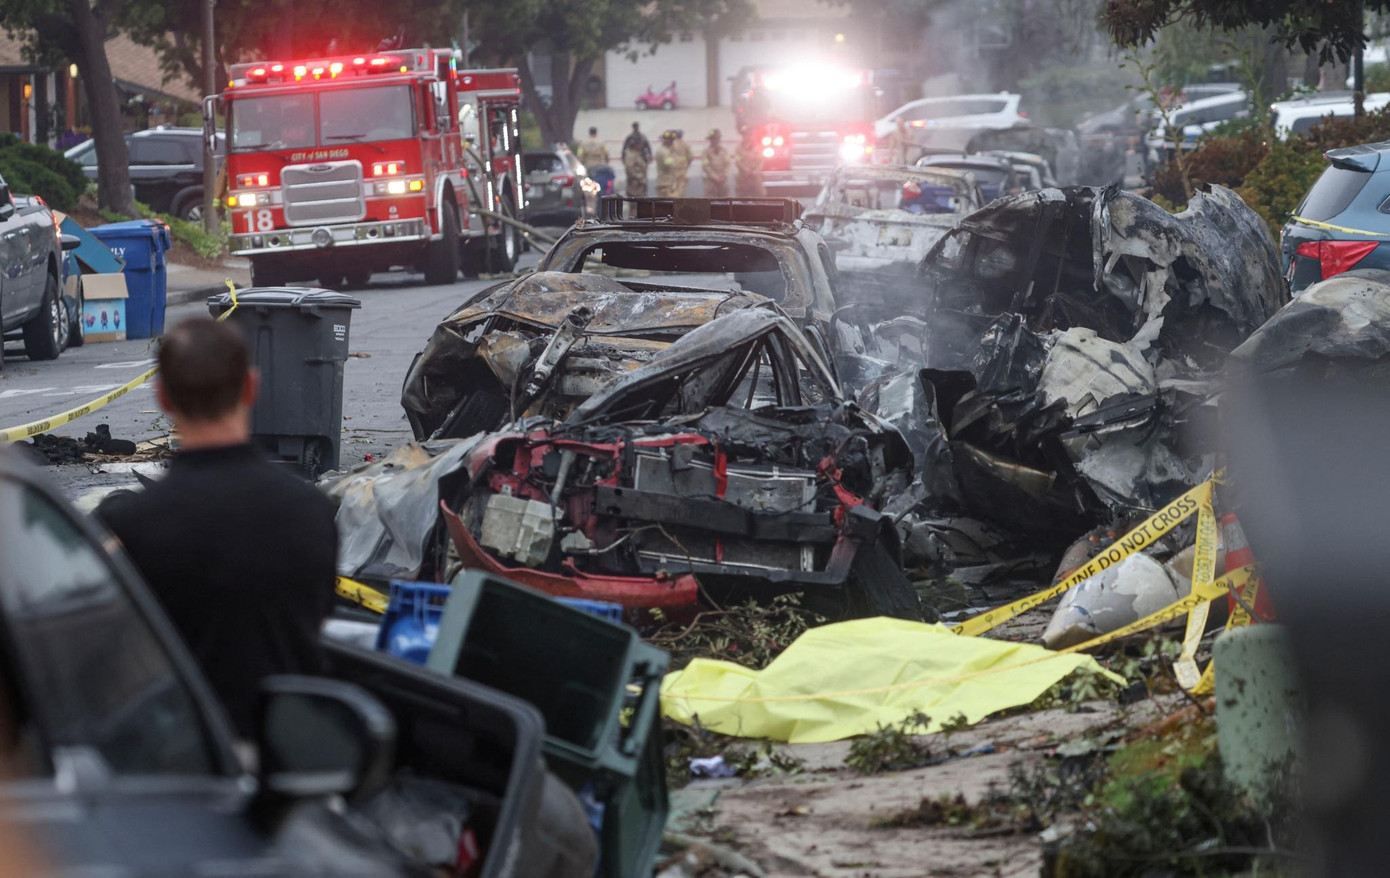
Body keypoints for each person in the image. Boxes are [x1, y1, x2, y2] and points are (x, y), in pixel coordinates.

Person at [97, 319, 338, 738]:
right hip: (289, 757)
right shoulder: (314, 513)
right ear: (250, 388)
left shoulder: (130, 528)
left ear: (162, 397)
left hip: (184, 759)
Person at [654, 130, 688, 198]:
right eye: (670, 140)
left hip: (669, 183)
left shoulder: (668, 150)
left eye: (672, 140)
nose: (672, 142)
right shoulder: (663, 151)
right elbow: (669, 164)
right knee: (667, 206)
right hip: (665, 184)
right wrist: (680, 161)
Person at [621, 122, 651, 197]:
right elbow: (629, 168)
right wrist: (639, 177)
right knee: (634, 198)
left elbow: (647, 146)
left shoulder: (641, 137)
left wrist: (648, 156)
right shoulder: (631, 139)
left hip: (641, 181)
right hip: (635, 183)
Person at [700, 129, 732, 198]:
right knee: (710, 202)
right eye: (713, 139)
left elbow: (728, 164)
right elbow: (706, 166)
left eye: (716, 138)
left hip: (723, 182)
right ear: (710, 140)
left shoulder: (724, 151)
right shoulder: (706, 152)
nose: (715, 141)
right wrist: (716, 177)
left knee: (725, 202)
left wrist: (724, 175)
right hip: (711, 182)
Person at [735, 131, 765, 197]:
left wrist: (756, 170)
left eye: (749, 135)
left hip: (755, 177)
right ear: (743, 136)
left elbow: (761, 160)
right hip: (743, 177)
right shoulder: (738, 149)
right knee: (742, 198)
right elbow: (738, 161)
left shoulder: (757, 147)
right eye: (745, 135)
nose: (748, 137)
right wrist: (746, 170)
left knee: (759, 196)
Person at [671, 129, 693, 196]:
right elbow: (690, 157)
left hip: (673, 169)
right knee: (681, 187)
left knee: (673, 187)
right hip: (682, 169)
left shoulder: (671, 144)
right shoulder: (685, 145)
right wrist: (686, 165)